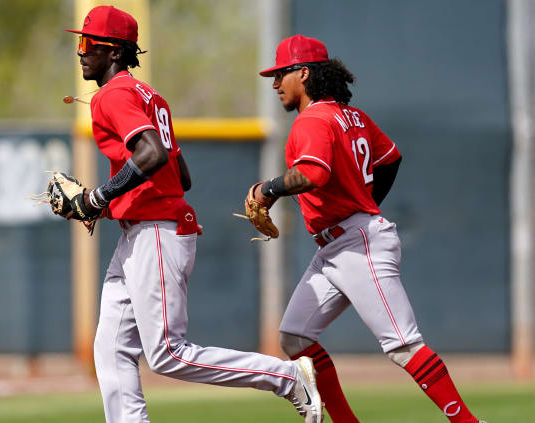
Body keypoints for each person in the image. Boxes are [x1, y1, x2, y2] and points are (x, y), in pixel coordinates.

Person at [63, 6, 323, 423]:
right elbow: (179, 175)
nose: (80, 52)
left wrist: (97, 198)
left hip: (157, 233)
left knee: (167, 354)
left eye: (87, 43)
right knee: (110, 351)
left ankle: (288, 377)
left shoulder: (114, 94)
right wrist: (112, 203)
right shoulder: (150, 95)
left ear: (113, 52)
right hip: (142, 232)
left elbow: (152, 154)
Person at [251, 34, 486, 423]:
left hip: (357, 242)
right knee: (295, 337)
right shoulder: (354, 117)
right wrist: (367, 200)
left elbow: (313, 172)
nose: (275, 84)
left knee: (403, 346)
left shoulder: (312, 119)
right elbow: (390, 158)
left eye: (281, 74)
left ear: (304, 73)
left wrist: (268, 190)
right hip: (338, 243)